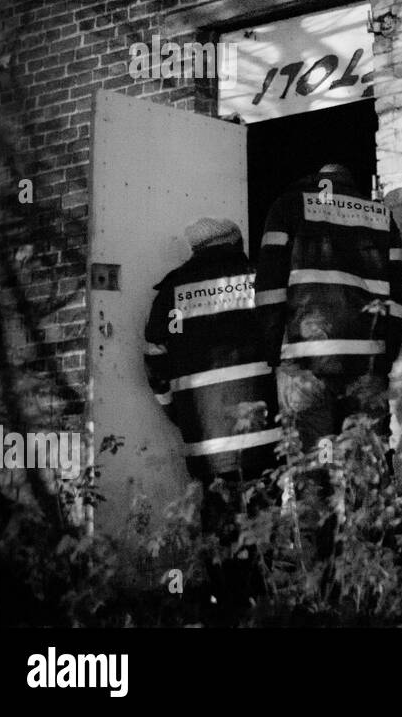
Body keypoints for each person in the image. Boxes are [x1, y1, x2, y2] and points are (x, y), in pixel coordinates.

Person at [143, 216, 281, 613]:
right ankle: (261, 599)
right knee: (261, 512)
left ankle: (227, 601)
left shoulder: (171, 292)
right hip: (262, 433)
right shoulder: (259, 278)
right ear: (236, 243)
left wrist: (177, 412)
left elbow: (155, 361)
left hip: (205, 436)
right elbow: (282, 340)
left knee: (218, 517)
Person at [255, 162, 402, 470]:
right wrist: (386, 357)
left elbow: (269, 290)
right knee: (365, 463)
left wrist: (272, 355)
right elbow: (398, 299)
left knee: (315, 459)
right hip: (367, 362)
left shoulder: (288, 206)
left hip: (305, 360)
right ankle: (367, 516)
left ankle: (318, 517)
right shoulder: (382, 217)